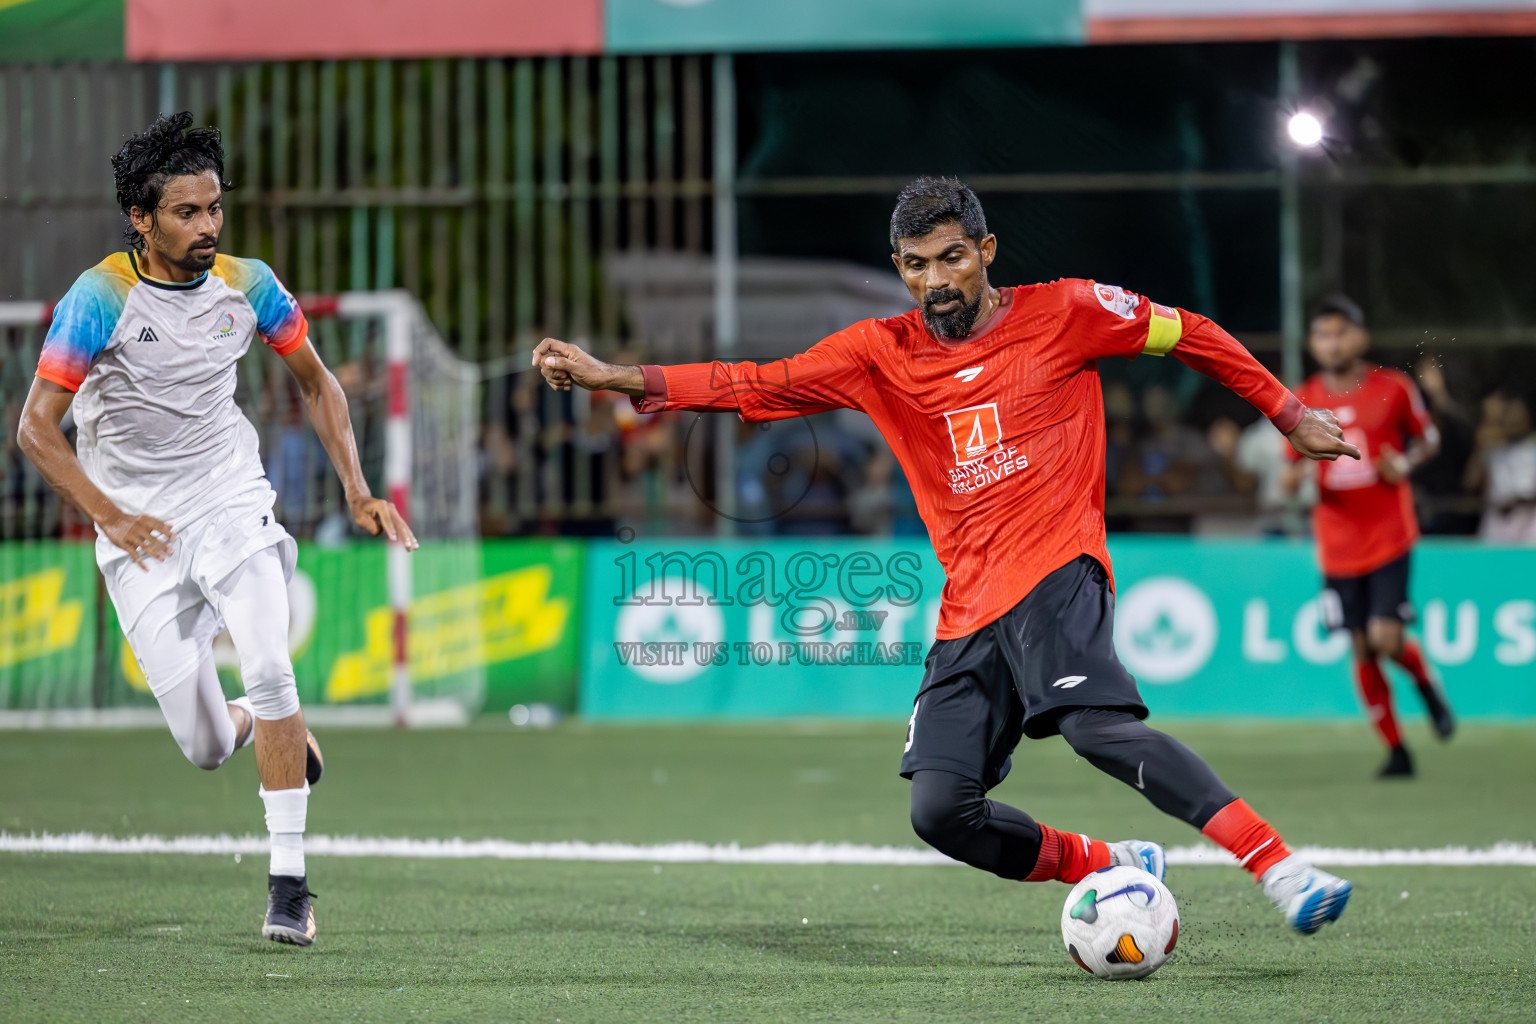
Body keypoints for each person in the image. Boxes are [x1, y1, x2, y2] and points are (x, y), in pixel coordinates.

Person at [532, 177, 1359, 935]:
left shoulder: (1069, 311)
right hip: (969, 607)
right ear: (899, 267)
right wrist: (616, 378)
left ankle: (1279, 867)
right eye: (919, 265)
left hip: (1057, 569)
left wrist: (1288, 413)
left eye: (954, 258)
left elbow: (1191, 333)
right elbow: (759, 381)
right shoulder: (878, 353)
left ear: (987, 252)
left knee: (1095, 729)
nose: (939, 281)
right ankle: (1112, 863)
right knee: (941, 811)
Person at [17, 113, 416, 946]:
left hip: (231, 497)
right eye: (188, 213)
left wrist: (357, 487)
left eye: (215, 209)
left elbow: (317, 382)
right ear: (141, 217)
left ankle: (289, 886)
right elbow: (35, 430)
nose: (208, 228)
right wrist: (111, 513)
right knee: (203, 746)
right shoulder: (98, 300)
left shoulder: (250, 283)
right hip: (137, 529)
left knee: (271, 662)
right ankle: (276, 734)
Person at [1281, 296, 1455, 778]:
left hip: (1388, 535)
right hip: (1337, 544)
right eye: (1322, 335)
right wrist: (1292, 480)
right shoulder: (1301, 400)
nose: (1332, 343)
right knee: (1360, 647)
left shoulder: (1392, 387)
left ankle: (1424, 684)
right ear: (1312, 344)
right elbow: (1290, 467)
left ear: (1359, 336)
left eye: (1340, 332)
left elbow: (1429, 438)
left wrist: (1406, 463)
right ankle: (1397, 750)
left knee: (1385, 637)